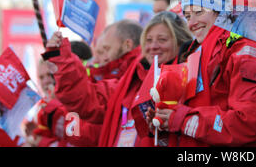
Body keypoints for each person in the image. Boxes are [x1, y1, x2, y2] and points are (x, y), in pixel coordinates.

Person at [153, 0, 256, 146]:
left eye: (199, 12)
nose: (191, 23)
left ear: (221, 12)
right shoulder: (196, 53)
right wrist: (165, 119)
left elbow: (248, 123)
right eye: (187, 16)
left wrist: (182, 119)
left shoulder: (247, 52)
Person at [41, 12, 191, 147]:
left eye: (162, 39)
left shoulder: (193, 78)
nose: (153, 46)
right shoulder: (131, 81)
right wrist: (61, 57)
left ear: (179, 42)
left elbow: (90, 135)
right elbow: (88, 99)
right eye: (149, 40)